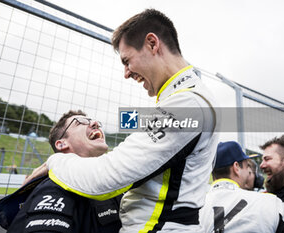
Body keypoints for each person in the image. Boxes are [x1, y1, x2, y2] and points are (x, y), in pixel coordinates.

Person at [26, 9, 219, 233]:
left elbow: (106, 178)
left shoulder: (187, 105)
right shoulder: (187, 98)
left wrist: (55, 162)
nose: (126, 73)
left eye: (127, 61)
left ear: (152, 43)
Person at [4, 110, 122, 233]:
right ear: (61, 144)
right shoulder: (54, 187)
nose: (95, 123)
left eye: (94, 121)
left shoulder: (115, 181)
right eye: (80, 122)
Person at [200, 141, 284, 233]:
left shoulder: (195, 207)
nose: (248, 172)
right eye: (247, 166)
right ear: (236, 167)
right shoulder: (270, 202)